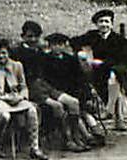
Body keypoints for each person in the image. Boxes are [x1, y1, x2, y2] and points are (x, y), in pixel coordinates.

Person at [14, 20, 89, 152]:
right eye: (29, 36)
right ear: (23, 37)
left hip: (46, 86)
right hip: (30, 88)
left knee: (73, 102)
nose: (33, 39)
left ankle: (78, 137)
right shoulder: (17, 53)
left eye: (36, 36)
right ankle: (68, 140)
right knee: (57, 106)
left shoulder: (41, 53)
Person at [73, 8, 127, 127]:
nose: (104, 24)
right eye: (101, 22)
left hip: (118, 68)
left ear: (112, 24)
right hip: (100, 72)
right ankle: (115, 113)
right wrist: (81, 52)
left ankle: (117, 116)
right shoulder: (92, 36)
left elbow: (123, 58)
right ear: (96, 24)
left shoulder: (118, 39)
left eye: (107, 22)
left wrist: (102, 63)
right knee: (107, 79)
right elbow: (74, 41)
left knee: (115, 79)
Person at [0, 39, 47, 160]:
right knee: (4, 116)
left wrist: (20, 97)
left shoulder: (17, 66)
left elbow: (23, 87)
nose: (1, 56)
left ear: (9, 54)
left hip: (16, 100)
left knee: (32, 110)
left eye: (4, 53)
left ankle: (34, 148)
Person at [43, 32, 110, 147]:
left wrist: (87, 92)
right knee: (72, 106)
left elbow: (80, 78)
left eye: (60, 44)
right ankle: (81, 136)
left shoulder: (71, 59)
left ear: (64, 45)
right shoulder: (46, 60)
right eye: (54, 44)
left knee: (83, 106)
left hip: (72, 90)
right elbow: (47, 81)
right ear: (50, 46)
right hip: (56, 91)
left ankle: (91, 133)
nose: (57, 47)